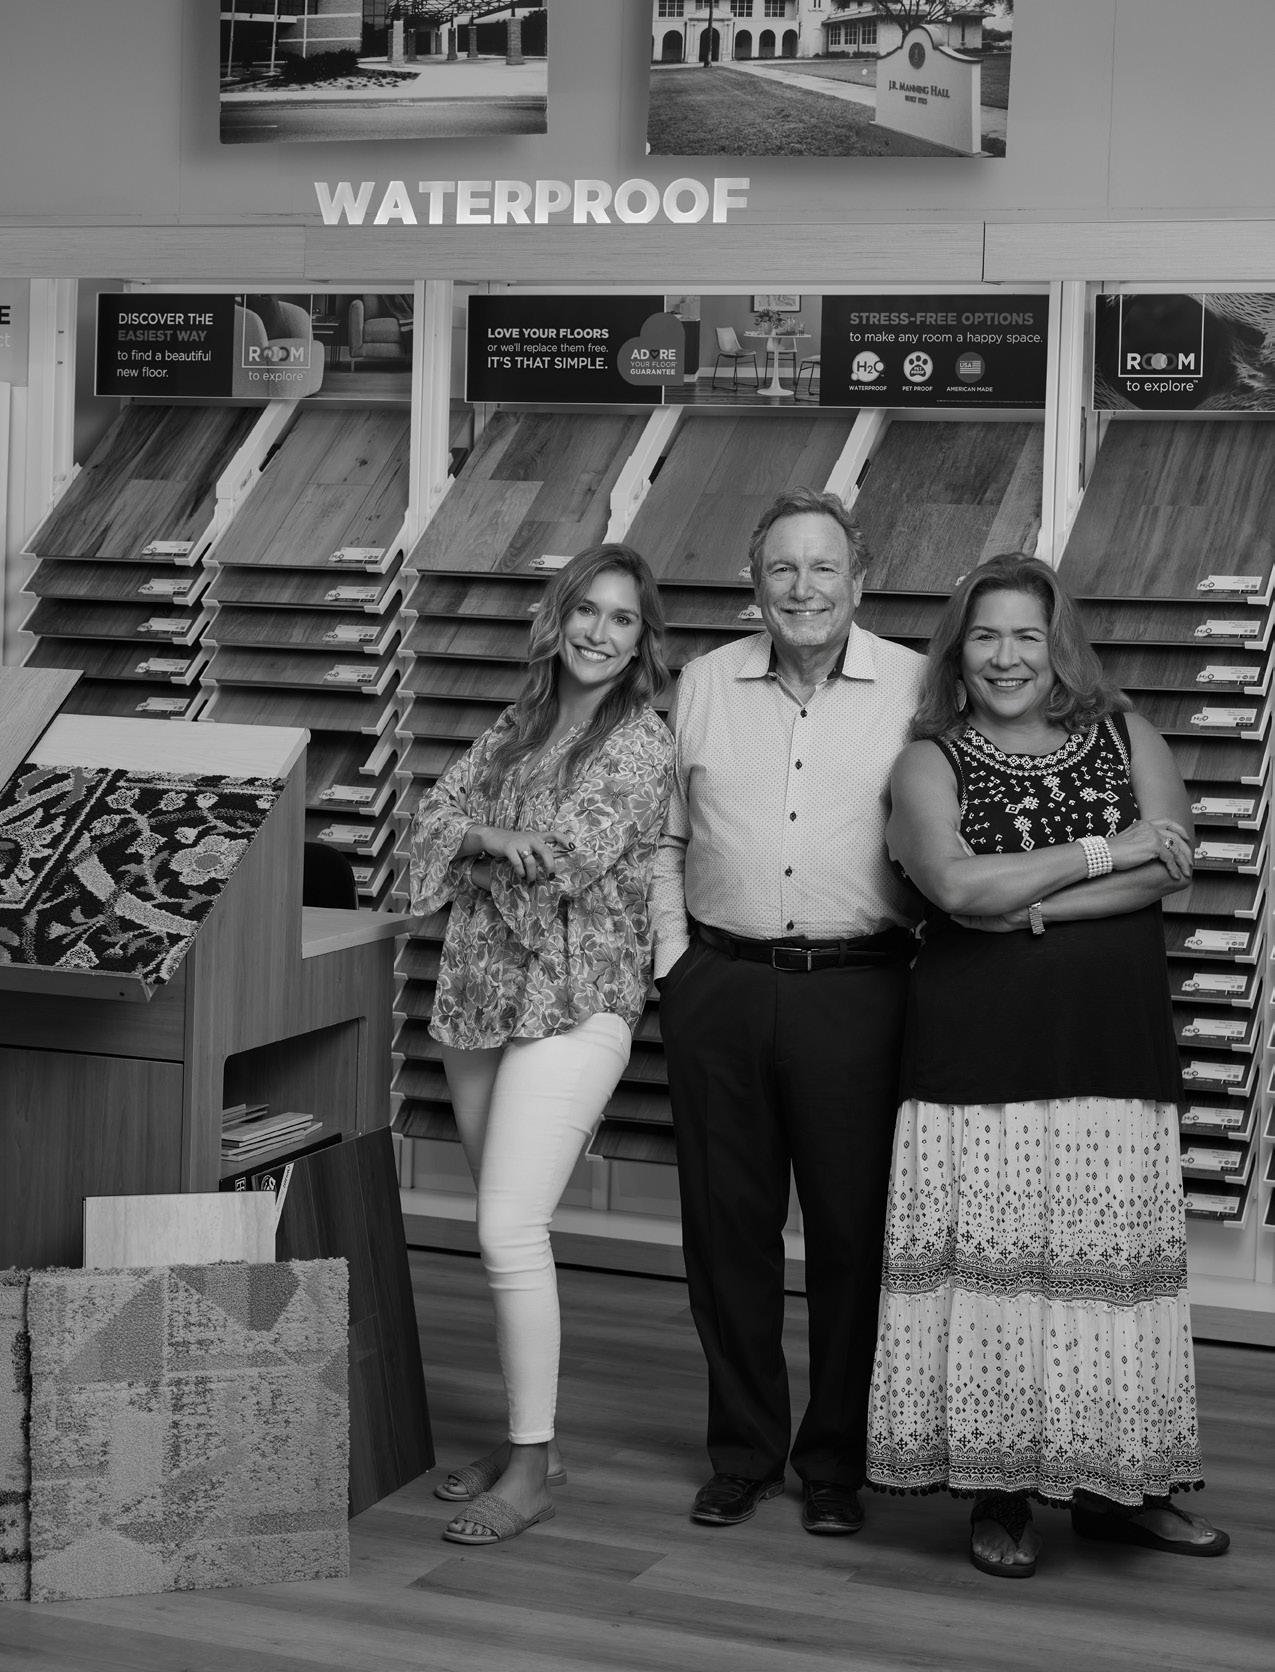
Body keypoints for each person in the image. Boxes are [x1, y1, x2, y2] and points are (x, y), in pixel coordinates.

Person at [866, 553, 1229, 1576]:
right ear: (957, 651)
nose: (1006, 656)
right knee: (1000, 1276)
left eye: (1027, 634)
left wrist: (1025, 902)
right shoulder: (928, 760)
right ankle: (1001, 1497)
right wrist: (1107, 850)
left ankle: (1124, 1491)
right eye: (985, 636)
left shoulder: (1127, 735)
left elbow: (1171, 865)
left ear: (1058, 643)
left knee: (1112, 1272)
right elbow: (953, 887)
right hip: (978, 1054)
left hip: (1111, 1043)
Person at [650, 486, 926, 1536]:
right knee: (727, 1231)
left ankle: (835, 1462)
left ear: (860, 579)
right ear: (752, 583)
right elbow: (665, 838)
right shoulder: (703, 683)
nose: (802, 588)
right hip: (719, 984)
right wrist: (676, 966)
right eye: (781, 568)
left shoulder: (916, 686)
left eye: (822, 567)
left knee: (854, 1235)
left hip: (862, 989)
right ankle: (744, 1452)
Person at [408, 543, 674, 1547]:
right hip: (480, 992)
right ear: (557, 618)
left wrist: (479, 842)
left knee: (506, 1228)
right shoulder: (517, 724)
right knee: (505, 1231)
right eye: (586, 611)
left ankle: (529, 1473)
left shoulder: (640, 744)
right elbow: (429, 823)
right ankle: (535, 1440)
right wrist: (485, 837)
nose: (600, 633)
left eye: (623, 619)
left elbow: (562, 864)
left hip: (575, 999)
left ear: (643, 642)